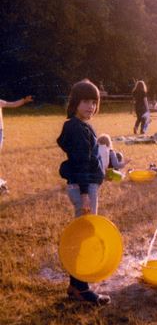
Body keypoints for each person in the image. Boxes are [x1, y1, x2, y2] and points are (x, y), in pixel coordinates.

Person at [57, 79, 110, 305]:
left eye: (94, 102)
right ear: (75, 102)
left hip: (84, 187)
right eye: (86, 101)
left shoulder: (80, 126)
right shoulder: (77, 128)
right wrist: (87, 193)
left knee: (82, 232)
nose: (91, 107)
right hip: (83, 189)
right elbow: (80, 164)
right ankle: (82, 288)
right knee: (84, 236)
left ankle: (74, 284)